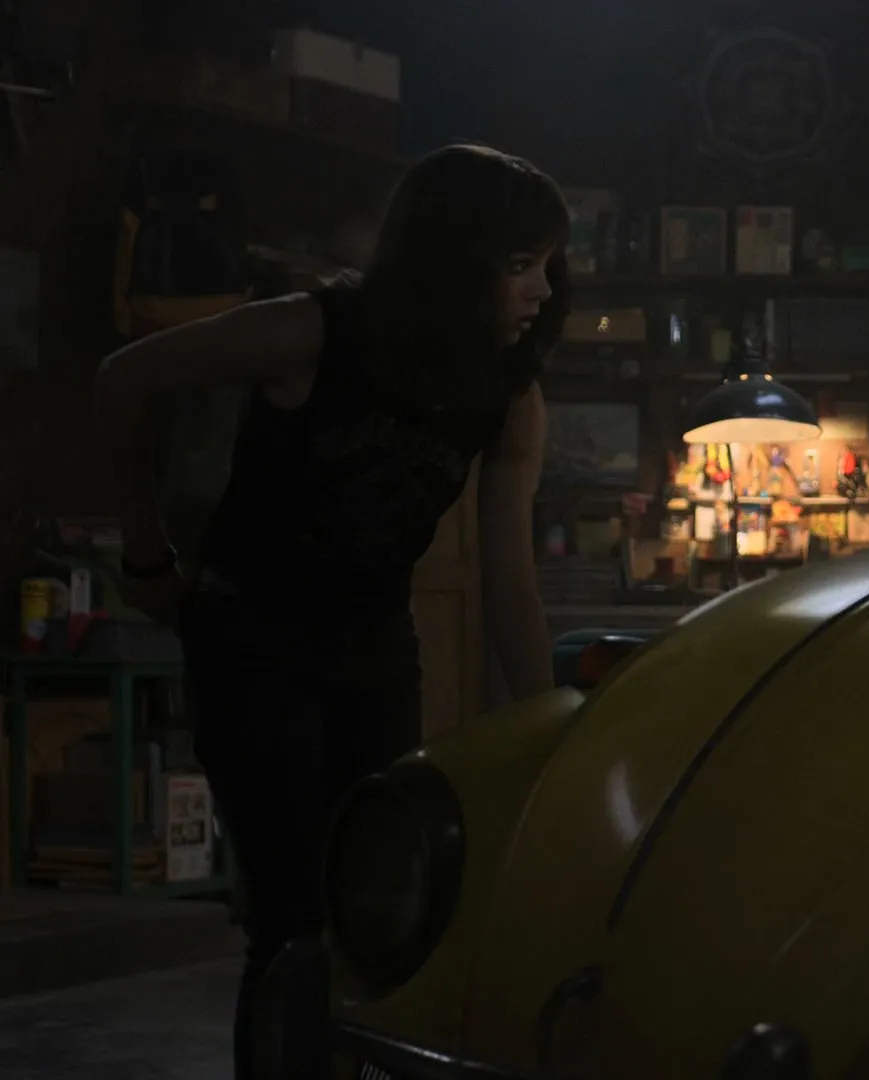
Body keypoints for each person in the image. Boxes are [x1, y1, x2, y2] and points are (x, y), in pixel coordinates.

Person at [92, 143, 570, 1076]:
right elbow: (123, 380)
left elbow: (509, 579)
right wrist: (145, 556)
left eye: (550, 264)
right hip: (251, 640)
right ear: (454, 257)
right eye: (521, 264)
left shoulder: (508, 393)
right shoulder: (315, 331)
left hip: (374, 648)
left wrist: (552, 727)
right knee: (292, 920)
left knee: (377, 909)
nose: (543, 291)